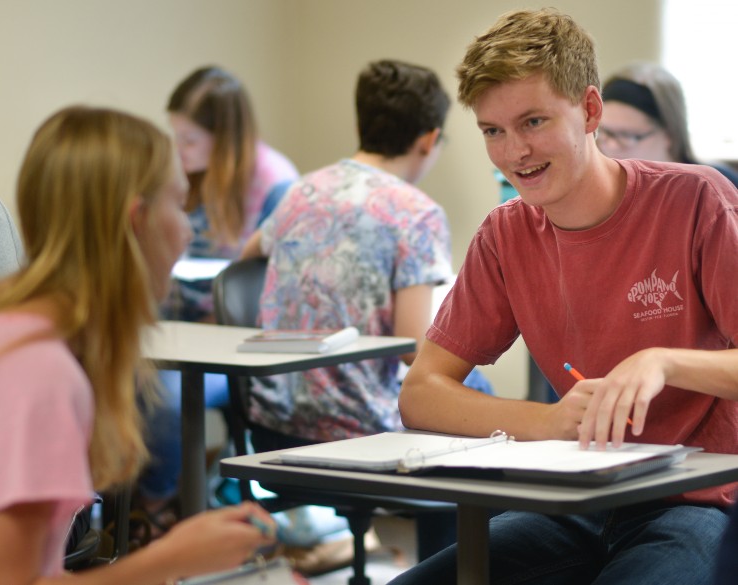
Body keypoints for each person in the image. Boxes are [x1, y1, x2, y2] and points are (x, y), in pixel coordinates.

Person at [391, 7, 738, 585]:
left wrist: (664, 361)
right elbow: (421, 394)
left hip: (697, 501)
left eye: (533, 122)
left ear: (591, 110)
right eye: (493, 131)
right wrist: (549, 422)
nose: (514, 152)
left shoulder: (697, 201)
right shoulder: (506, 234)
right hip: (578, 499)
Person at [0, 106, 278, 583]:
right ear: (137, 219)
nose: (189, 230)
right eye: (179, 205)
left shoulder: (24, 335)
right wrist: (172, 558)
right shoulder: (42, 372)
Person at [242, 59, 490, 560]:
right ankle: (449, 568)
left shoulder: (299, 191)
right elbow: (413, 353)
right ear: (429, 138)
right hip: (358, 428)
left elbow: (246, 263)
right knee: (473, 396)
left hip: (273, 423)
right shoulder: (415, 212)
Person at [139, 65, 299, 526]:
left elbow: (272, 299)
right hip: (171, 334)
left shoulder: (275, 185)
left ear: (224, 137)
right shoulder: (183, 176)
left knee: (163, 401)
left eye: (189, 139)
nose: (180, 150)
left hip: (234, 347)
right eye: (176, 137)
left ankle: (155, 512)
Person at [598, 61, 738, 187]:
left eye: (627, 136)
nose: (611, 146)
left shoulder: (718, 186)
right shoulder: (604, 186)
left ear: (669, 134)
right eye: (605, 132)